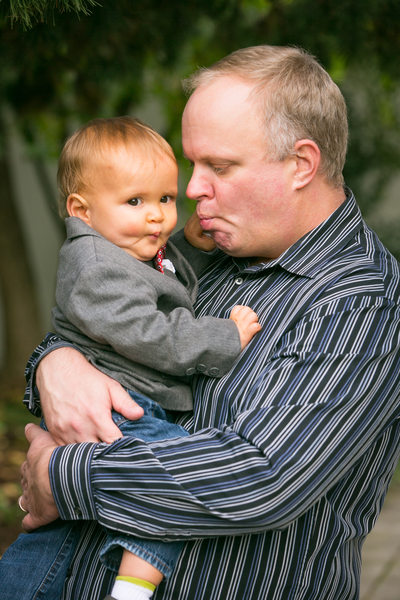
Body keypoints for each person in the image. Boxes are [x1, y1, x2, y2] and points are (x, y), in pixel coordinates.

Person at [16, 45, 400, 600]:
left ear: (301, 164)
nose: (193, 190)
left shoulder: (361, 300)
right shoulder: (207, 254)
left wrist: (64, 478)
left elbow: (259, 478)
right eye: (192, 163)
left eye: (219, 166)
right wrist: (54, 362)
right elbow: (105, 322)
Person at [0, 116, 261, 600]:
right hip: (124, 407)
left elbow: (158, 280)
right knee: (173, 479)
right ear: (82, 210)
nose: (157, 217)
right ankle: (134, 588)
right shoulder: (95, 266)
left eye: (165, 198)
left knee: (56, 536)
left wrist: (190, 247)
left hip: (119, 400)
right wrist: (225, 337)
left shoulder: (117, 247)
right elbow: (151, 332)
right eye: (135, 202)